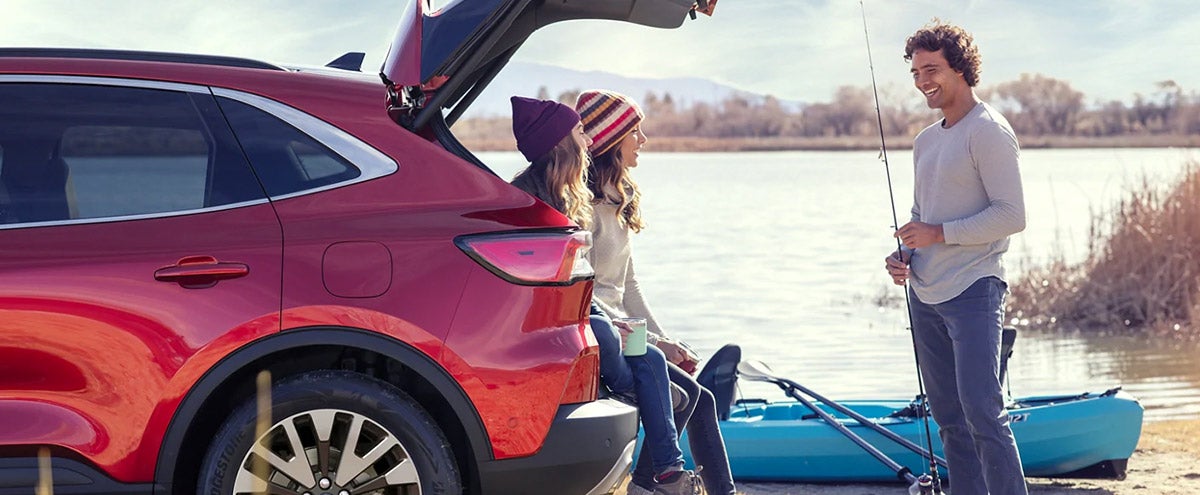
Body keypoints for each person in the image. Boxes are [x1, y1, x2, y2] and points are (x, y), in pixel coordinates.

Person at [507, 95, 703, 495]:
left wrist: (656, 339)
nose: (588, 140)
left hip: (594, 318)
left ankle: (666, 474)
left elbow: (599, 288)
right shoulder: (536, 202)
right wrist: (644, 337)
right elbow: (572, 289)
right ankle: (647, 415)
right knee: (630, 348)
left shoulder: (568, 197)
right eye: (580, 132)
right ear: (562, 144)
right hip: (567, 324)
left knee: (647, 355)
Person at [884, 21, 1028, 495]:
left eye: (932, 69)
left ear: (961, 68)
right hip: (925, 294)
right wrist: (905, 251)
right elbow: (921, 215)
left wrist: (938, 234)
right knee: (949, 421)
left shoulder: (988, 131)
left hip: (974, 290)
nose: (923, 81)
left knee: (983, 412)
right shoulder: (925, 141)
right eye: (916, 72)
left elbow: (1012, 215)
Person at [575, 89, 736, 495]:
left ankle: (700, 489)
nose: (643, 141)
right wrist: (654, 344)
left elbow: (628, 286)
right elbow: (587, 296)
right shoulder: (584, 208)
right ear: (611, 139)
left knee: (700, 397)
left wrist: (666, 339)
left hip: (628, 330)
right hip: (601, 336)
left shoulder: (619, 201)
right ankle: (653, 483)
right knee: (686, 394)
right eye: (635, 132)